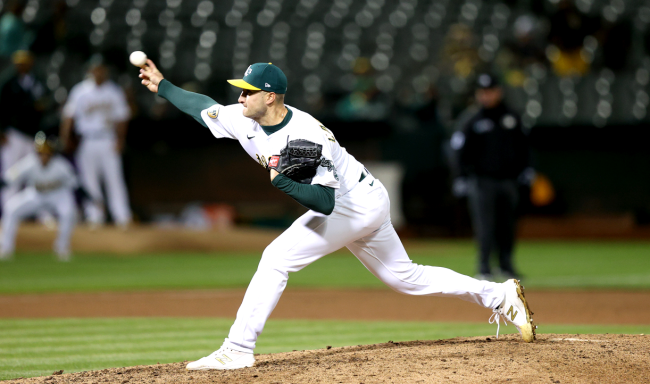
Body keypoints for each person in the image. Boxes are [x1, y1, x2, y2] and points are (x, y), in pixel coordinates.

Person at [138, 61, 536, 370]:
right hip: (366, 198)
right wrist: (163, 86)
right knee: (405, 277)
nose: (240, 98)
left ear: (271, 97)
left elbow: (325, 203)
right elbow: (203, 108)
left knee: (276, 259)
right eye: (240, 92)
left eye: (248, 93)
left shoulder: (304, 136)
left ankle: (238, 349)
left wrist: (284, 184)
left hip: (351, 204)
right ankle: (500, 295)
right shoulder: (247, 119)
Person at [451, 74, 533, 281]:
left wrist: (527, 169)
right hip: (481, 181)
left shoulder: (512, 117)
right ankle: (484, 268)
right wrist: (460, 176)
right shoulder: (471, 119)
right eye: (482, 92)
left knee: (507, 225)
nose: (486, 96)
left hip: (509, 180)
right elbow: (457, 151)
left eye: (490, 91)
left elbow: (525, 147)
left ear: (499, 92)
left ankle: (506, 266)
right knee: (485, 226)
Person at [60, 59, 131, 229]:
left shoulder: (114, 91)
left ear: (105, 71)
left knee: (114, 179)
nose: (98, 73)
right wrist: (65, 138)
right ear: (90, 71)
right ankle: (94, 216)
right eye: (95, 69)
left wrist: (120, 140)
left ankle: (122, 217)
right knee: (89, 180)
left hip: (108, 139)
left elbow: (122, 118)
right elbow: (69, 116)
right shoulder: (80, 91)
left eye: (101, 70)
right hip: (87, 140)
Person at [0, 132, 79, 261]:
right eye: (41, 152)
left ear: (52, 153)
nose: (43, 156)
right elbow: (9, 179)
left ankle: (62, 248)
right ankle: (6, 248)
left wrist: (91, 200)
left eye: (46, 152)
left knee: (68, 212)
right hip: (35, 195)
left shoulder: (61, 165)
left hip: (58, 196)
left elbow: (77, 184)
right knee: (11, 208)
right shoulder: (30, 162)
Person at [0, 50, 47, 208]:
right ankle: (7, 209)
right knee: (11, 172)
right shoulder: (8, 83)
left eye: (25, 63)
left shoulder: (37, 82)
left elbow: (43, 104)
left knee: (35, 174)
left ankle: (37, 213)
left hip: (32, 134)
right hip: (14, 134)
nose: (22, 66)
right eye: (19, 63)